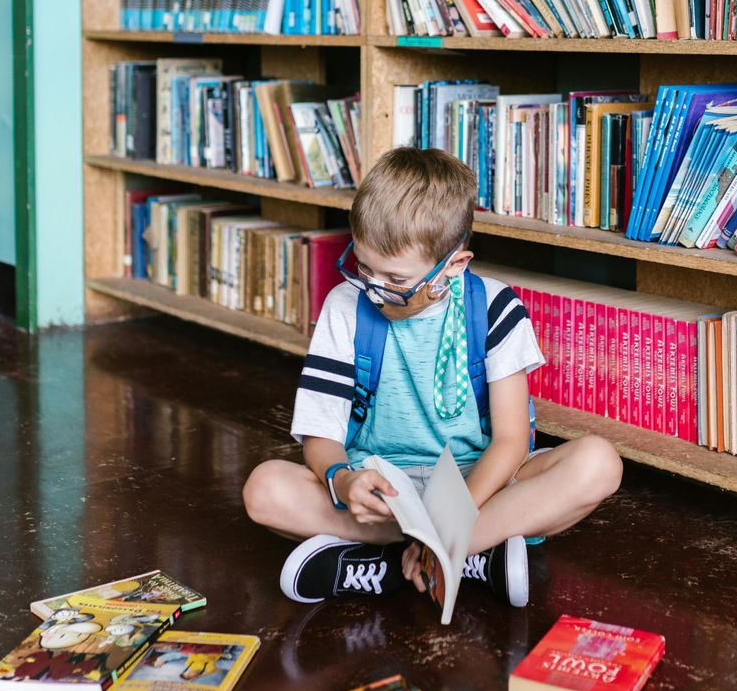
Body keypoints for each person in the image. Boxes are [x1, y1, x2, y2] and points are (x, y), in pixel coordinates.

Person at [242, 147, 622, 607]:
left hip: (477, 483)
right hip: (381, 488)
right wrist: (343, 482)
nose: (375, 290)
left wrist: (452, 515)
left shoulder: (496, 307)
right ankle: (461, 555)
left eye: (396, 279)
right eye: (364, 268)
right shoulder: (345, 306)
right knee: (264, 489)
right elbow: (320, 436)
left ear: (455, 265)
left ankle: (424, 549)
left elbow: (511, 442)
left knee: (598, 463)